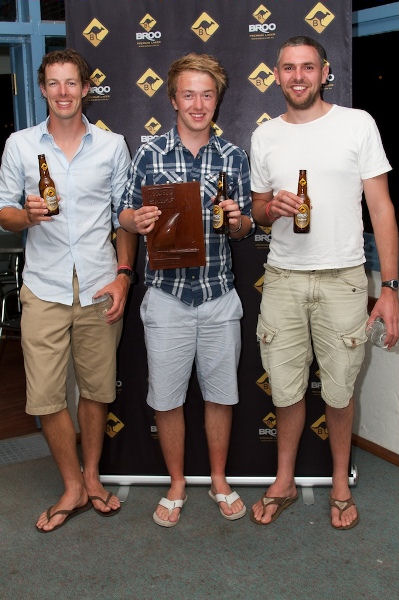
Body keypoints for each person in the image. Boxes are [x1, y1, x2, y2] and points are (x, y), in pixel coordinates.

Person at [250, 36, 399, 529]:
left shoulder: (358, 124)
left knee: (339, 393)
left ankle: (340, 480)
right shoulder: (265, 136)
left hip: (344, 281)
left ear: (324, 72)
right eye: (289, 68)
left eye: (307, 67)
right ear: (276, 75)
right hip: (284, 280)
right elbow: (256, 209)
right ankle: (285, 479)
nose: (298, 76)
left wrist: (392, 289)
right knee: (286, 392)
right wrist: (270, 208)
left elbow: (381, 208)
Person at [0, 49, 136, 532]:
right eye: (54, 83)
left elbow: (126, 217)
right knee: (44, 395)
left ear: (85, 88)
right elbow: (4, 212)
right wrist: (27, 215)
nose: (63, 92)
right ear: (42, 89)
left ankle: (92, 477)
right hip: (44, 284)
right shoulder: (19, 145)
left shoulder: (112, 145)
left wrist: (124, 274)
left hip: (100, 282)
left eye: (71, 83)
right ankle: (71, 484)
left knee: (97, 391)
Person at [118, 52, 254, 527]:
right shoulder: (150, 153)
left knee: (220, 395)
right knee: (167, 399)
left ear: (218, 100)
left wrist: (239, 222)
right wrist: (133, 220)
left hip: (219, 295)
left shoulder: (233, 156)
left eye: (207, 94)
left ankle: (218, 479)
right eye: (189, 94)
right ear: (173, 97)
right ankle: (177, 483)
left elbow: (244, 229)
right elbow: (124, 215)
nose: (198, 103)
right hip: (167, 298)